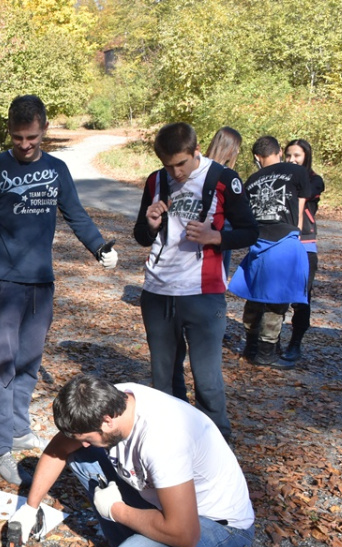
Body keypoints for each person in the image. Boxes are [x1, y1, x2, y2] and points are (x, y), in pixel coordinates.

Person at [0, 95, 118, 486]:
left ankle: (19, 427)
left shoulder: (57, 169)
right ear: (10, 132)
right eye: (19, 137)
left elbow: (76, 214)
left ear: (45, 130)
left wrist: (99, 246)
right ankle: (2, 446)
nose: (25, 145)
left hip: (41, 282)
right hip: (4, 283)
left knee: (28, 362)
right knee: (2, 367)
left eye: (33, 137)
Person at [9, 374, 254, 547]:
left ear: (106, 420)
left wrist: (116, 511)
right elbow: (58, 449)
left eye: (86, 437)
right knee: (82, 457)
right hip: (166, 503)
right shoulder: (110, 401)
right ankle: (129, 545)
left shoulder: (164, 441)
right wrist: (30, 507)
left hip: (220, 528)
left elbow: (184, 534)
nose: (80, 442)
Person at [132, 122, 257, 443]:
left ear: (196, 151)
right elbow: (141, 237)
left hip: (203, 295)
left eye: (181, 164)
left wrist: (216, 236)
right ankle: (173, 444)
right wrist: (150, 223)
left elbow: (250, 231)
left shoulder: (224, 179)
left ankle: (217, 446)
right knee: (164, 378)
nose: (175, 172)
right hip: (157, 292)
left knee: (207, 379)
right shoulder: (155, 181)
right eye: (168, 165)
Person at [228, 136, 311, 369]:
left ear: (257, 157)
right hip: (285, 240)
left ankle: (251, 346)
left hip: (258, 241)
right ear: (280, 151)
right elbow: (301, 211)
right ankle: (266, 353)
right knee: (277, 300)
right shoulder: (297, 172)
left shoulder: (251, 180)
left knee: (255, 295)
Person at [282, 139, 323, 361]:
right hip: (281, 239)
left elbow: (305, 194)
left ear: (306, 156)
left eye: (297, 155)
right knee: (276, 293)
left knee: (301, 296)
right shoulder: (280, 177)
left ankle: (295, 343)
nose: (292, 160)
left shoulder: (315, 180)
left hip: (305, 243)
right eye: (288, 155)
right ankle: (271, 341)